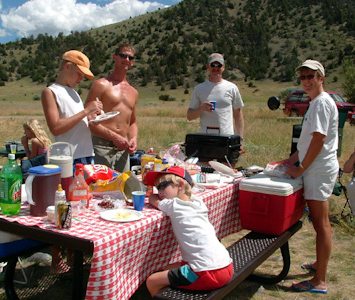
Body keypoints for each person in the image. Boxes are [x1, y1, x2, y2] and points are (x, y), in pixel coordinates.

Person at [41, 49, 103, 274]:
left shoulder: (74, 93)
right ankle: (56, 260)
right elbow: (56, 127)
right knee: (62, 206)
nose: (81, 79)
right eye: (79, 74)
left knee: (79, 207)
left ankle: (72, 256)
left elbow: (76, 123)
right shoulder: (51, 92)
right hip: (66, 158)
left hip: (84, 156)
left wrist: (91, 116)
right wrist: (86, 111)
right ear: (67, 66)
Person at [281, 60, 338, 294]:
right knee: (318, 223)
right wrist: (290, 160)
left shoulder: (321, 103)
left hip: (318, 170)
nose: (306, 80)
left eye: (310, 76)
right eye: (303, 76)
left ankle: (319, 281)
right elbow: (307, 141)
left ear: (321, 78)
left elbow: (318, 139)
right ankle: (318, 265)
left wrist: (301, 167)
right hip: (314, 167)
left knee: (321, 224)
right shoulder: (316, 102)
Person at [143, 166, 233, 297]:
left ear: (180, 185)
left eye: (162, 186)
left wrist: (154, 195)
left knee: (152, 281)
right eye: (157, 187)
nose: (159, 191)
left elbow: (152, 198)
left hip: (206, 273)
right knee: (167, 268)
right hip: (225, 266)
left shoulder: (174, 205)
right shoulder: (197, 202)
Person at [85, 44, 138, 173]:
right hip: (101, 145)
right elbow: (88, 117)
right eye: (123, 56)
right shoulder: (101, 84)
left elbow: (132, 122)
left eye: (130, 58)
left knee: (122, 187)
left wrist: (133, 139)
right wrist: (114, 137)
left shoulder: (133, 92)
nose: (126, 59)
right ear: (114, 57)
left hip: (122, 149)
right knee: (99, 187)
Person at [187, 53, 244, 150]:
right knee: (205, 165)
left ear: (223, 67)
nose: (216, 68)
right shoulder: (199, 89)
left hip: (227, 137)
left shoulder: (232, 88)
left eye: (219, 65)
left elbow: (238, 115)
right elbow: (189, 116)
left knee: (227, 165)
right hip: (205, 139)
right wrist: (201, 108)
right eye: (213, 65)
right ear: (208, 67)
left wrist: (240, 139)